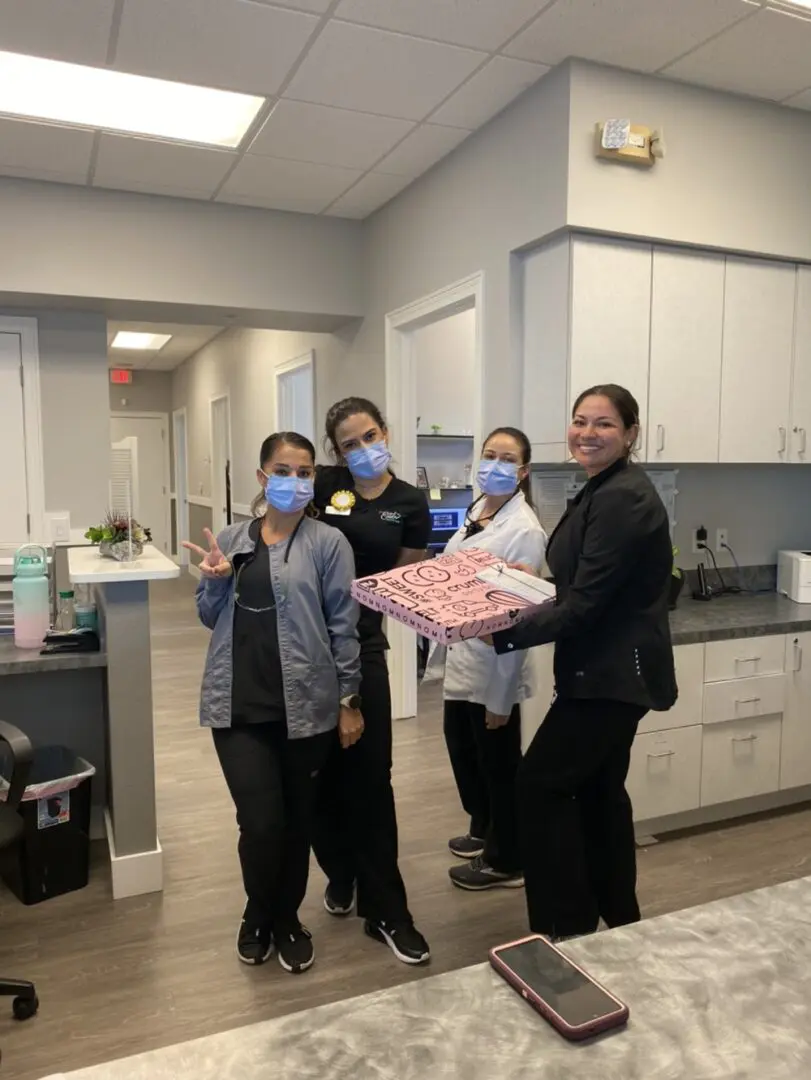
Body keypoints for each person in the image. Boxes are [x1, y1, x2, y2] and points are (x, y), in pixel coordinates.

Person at [491, 385, 677, 940]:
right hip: (602, 673)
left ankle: (564, 929)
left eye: (604, 424)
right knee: (598, 793)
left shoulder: (623, 497)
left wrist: (503, 632)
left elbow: (586, 604)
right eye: (579, 421)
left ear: (631, 434)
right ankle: (619, 921)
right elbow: (574, 584)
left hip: (611, 678)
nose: (588, 434)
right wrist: (507, 592)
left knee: (540, 785)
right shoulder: (601, 489)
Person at [185, 432, 363, 975]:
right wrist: (214, 582)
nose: (295, 480)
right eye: (283, 470)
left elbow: (344, 628)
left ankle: (284, 918)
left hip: (306, 704)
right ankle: (257, 910)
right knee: (260, 823)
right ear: (263, 478)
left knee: (296, 822)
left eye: (305, 471)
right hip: (237, 704)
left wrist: (349, 700)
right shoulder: (235, 539)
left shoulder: (329, 543)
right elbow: (209, 616)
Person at [312, 396, 431, 966]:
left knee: (369, 778)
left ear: (385, 432)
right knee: (317, 779)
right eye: (348, 443)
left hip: (364, 647)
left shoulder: (410, 501)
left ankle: (387, 910)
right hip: (306, 652)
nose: (361, 450)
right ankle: (342, 871)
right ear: (337, 450)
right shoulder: (325, 485)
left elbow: (405, 585)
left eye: (368, 436)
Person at [424, 427, 547, 891]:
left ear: (523, 471)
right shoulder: (479, 511)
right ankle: (486, 829)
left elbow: (516, 621)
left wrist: (500, 698)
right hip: (465, 656)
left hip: (495, 664)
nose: (494, 464)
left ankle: (507, 859)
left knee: (498, 764)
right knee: (463, 749)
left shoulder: (525, 531)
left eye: (507, 458)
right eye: (489, 455)